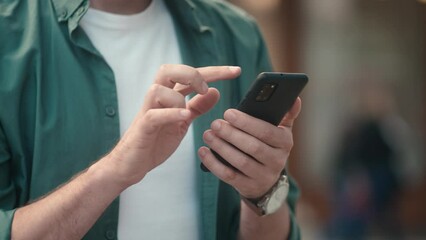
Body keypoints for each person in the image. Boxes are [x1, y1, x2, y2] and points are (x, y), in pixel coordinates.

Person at [0, 0, 302, 239]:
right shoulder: (8, 36)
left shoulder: (239, 35)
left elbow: (277, 222)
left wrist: (262, 193)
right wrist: (114, 171)